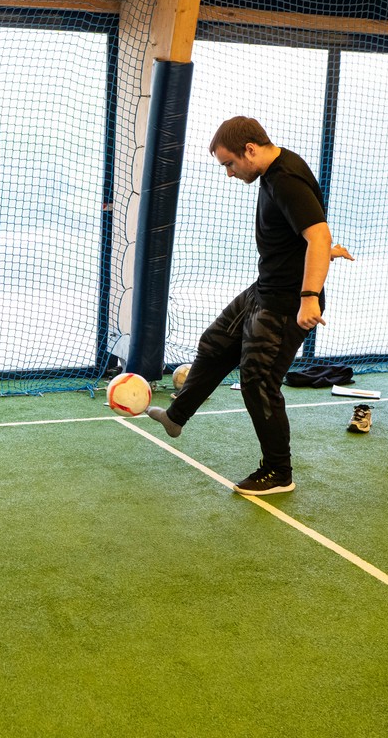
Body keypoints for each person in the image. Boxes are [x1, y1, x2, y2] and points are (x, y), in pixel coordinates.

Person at [145, 116, 353, 495]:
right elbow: (308, 234)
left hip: (288, 301)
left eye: (230, 163)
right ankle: (176, 416)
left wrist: (309, 296)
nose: (229, 173)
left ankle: (278, 472)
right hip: (264, 289)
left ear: (251, 150)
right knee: (215, 343)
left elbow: (318, 235)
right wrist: (322, 250)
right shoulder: (272, 173)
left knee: (258, 383)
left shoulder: (286, 178)